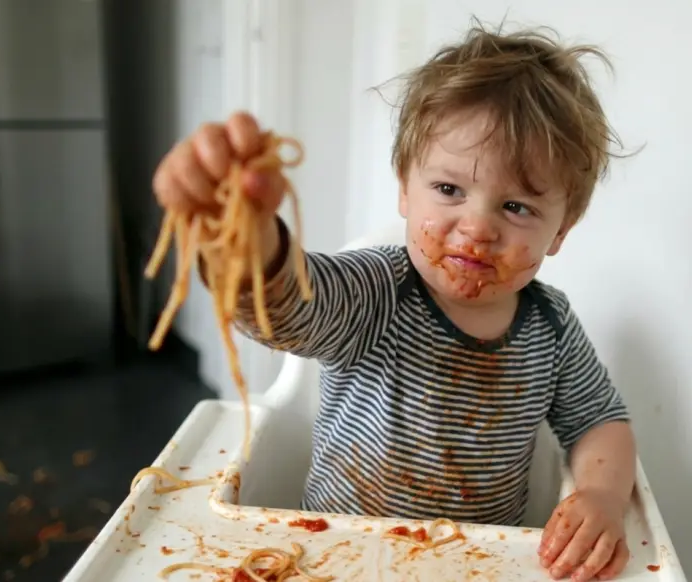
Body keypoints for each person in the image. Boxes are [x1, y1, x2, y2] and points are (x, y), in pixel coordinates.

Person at [152, 22, 637, 582]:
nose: (477, 228)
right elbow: (289, 307)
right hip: (330, 555)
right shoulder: (378, 291)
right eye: (449, 190)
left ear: (560, 231)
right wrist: (241, 235)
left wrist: (602, 494)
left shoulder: (551, 327)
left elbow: (599, 419)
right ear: (405, 189)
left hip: (475, 564)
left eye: (517, 207)